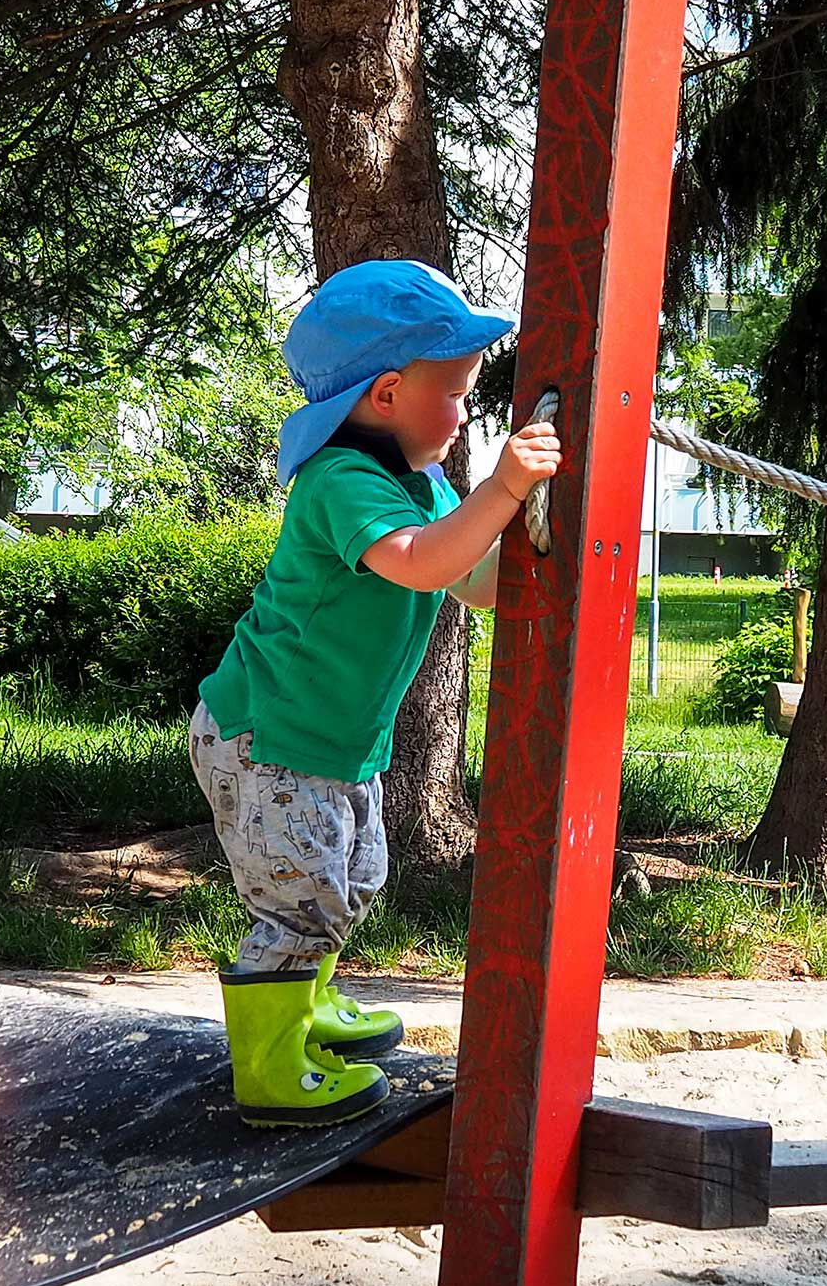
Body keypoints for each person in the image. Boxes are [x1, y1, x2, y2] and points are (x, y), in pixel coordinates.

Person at [189, 259, 560, 1127]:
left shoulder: (419, 483)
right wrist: (505, 489)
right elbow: (421, 563)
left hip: (332, 742)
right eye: (458, 391)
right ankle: (272, 1070)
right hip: (268, 734)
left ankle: (306, 1008)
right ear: (389, 392)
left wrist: (543, 539)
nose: (467, 412)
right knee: (303, 895)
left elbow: (472, 581)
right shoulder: (342, 482)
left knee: (354, 876)